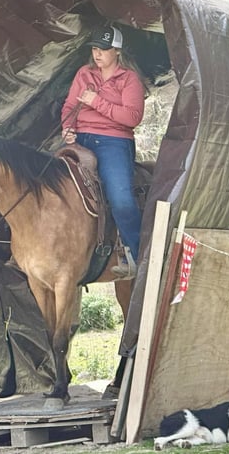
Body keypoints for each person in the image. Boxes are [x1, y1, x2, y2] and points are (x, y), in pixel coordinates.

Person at [61, 25, 146, 278]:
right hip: (81, 137)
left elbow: (132, 117)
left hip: (113, 140)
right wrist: (67, 128)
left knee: (120, 199)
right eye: (95, 49)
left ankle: (137, 255)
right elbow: (68, 106)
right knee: (46, 182)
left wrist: (96, 102)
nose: (98, 55)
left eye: (104, 49)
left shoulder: (129, 79)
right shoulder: (84, 73)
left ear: (116, 51)